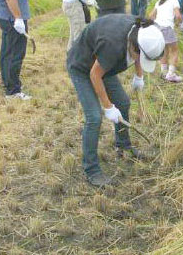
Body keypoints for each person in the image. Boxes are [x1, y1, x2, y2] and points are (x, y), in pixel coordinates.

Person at [67, 15, 165, 187]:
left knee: (124, 103)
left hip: (104, 65)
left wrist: (139, 75)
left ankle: (123, 145)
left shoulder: (143, 30)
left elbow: (139, 55)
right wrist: (108, 107)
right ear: (134, 48)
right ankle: (92, 169)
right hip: (82, 67)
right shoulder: (112, 45)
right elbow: (95, 75)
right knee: (95, 117)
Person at [0, 0, 31, 100]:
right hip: (12, 17)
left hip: (6, 15)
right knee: (15, 54)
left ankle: (9, 85)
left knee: (7, 52)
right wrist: (18, 18)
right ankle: (13, 91)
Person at [150, 0, 183, 83]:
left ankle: (164, 72)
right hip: (167, 28)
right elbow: (178, 15)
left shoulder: (158, 2)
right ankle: (171, 74)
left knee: (163, 50)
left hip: (157, 28)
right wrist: (180, 23)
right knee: (174, 51)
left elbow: (151, 16)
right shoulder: (174, 1)